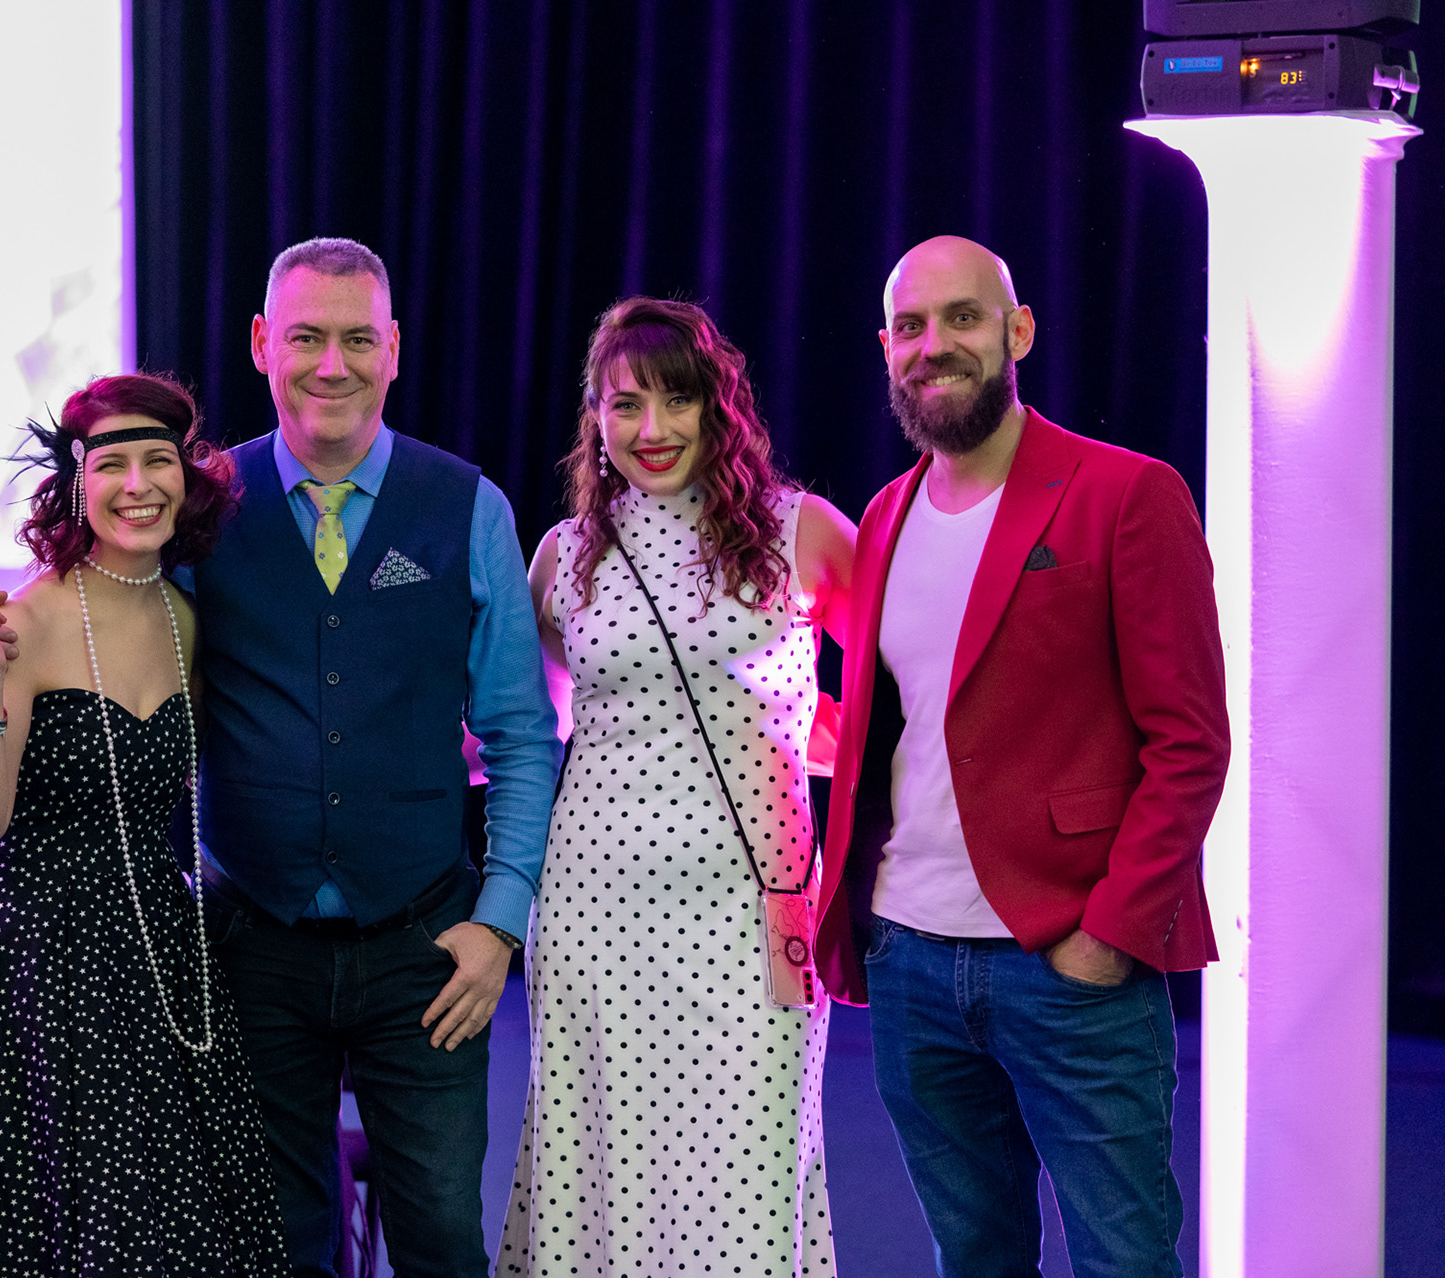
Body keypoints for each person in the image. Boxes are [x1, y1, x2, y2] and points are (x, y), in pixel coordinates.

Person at [812, 236, 1231, 1277]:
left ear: (1018, 331)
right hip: (912, 958)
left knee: (1126, 1261)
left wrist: (1112, 932)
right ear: (885, 348)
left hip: (1069, 963)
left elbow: (1190, 742)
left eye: (962, 317)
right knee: (975, 1260)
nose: (935, 345)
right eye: (911, 327)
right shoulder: (885, 515)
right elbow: (897, 728)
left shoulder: (1125, 493)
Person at [183, 237, 561, 1278]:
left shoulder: (469, 506)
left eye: (357, 339)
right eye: (305, 337)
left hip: (426, 948)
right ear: (261, 344)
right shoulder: (200, 509)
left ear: (394, 349)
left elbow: (521, 734)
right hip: (251, 945)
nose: (331, 365)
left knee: (440, 1238)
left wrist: (500, 923)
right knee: (276, 1245)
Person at [0, 373, 290, 1275]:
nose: (137, 484)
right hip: (30, 965)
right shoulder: (18, 621)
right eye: (112, 465)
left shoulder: (186, 619)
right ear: (77, 480)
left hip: (156, 958)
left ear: (187, 475)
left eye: (158, 460)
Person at [497, 297, 857, 1277]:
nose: (650, 429)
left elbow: (896, 684)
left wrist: (813, 731)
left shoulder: (800, 531)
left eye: (676, 399)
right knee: (596, 1169)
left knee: (747, 1176)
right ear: (596, 419)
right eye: (625, 405)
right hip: (594, 912)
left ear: (718, 405)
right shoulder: (565, 553)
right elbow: (534, 725)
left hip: (752, 914)